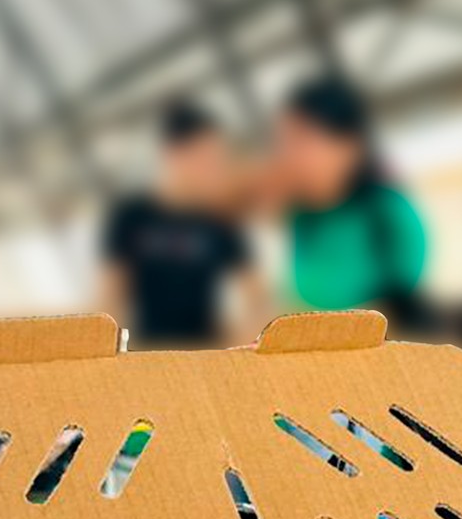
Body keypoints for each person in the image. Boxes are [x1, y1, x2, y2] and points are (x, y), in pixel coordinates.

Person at [102, 102, 263, 349]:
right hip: (147, 352)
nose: (212, 169)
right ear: (173, 154)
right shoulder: (131, 216)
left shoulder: (220, 220)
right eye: (203, 159)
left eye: (216, 160)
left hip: (207, 353)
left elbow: (257, 296)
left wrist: (235, 343)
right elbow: (110, 298)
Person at [271, 77, 430, 325]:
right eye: (285, 143)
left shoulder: (387, 211)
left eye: (303, 140)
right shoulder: (300, 216)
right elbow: (293, 297)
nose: (289, 156)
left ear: (348, 146)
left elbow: (403, 303)